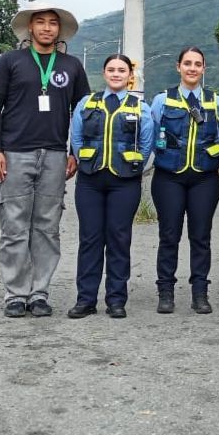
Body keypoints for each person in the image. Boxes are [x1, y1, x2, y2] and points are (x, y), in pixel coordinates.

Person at [0, 1, 90, 318]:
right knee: (14, 225)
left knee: (47, 226)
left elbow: (84, 112)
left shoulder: (71, 65)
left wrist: (75, 151)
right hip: (15, 152)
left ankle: (39, 292)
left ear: (59, 30)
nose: (47, 27)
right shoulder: (10, 61)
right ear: (30, 28)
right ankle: (15, 294)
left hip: (57, 154)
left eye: (53, 23)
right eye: (40, 22)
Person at [67, 55, 154, 318]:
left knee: (119, 238)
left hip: (124, 182)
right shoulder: (87, 102)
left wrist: (130, 165)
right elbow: (77, 137)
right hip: (90, 181)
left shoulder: (141, 107)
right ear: (104, 73)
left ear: (130, 75)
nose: (116, 74)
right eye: (111, 69)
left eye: (121, 70)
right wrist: (87, 160)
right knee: (90, 239)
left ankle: (116, 300)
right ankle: (86, 299)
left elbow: (147, 143)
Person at [150, 47, 219, 315]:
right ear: (178, 67)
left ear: (204, 68)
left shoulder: (215, 101)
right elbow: (152, 133)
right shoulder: (162, 100)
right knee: (169, 235)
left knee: (201, 237)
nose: (192, 68)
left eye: (197, 64)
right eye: (187, 63)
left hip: (204, 178)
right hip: (168, 177)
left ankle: (200, 293)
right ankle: (166, 292)